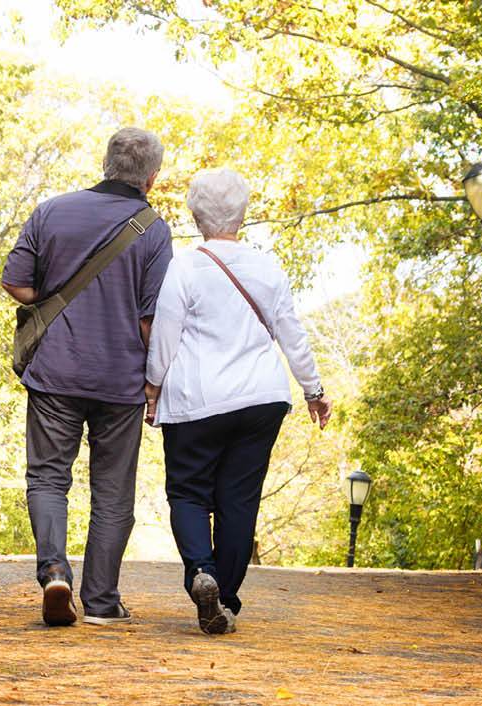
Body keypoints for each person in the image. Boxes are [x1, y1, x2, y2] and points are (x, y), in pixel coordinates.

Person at [143, 168, 330, 635]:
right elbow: (292, 333)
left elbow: (165, 334)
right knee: (238, 500)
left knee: (188, 491)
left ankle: (201, 572)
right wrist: (314, 389)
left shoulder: (184, 266)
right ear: (243, 214)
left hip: (197, 400)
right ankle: (223, 595)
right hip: (260, 399)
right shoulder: (267, 266)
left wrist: (152, 387)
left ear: (195, 214)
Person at [1, 128, 175, 627]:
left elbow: (17, 283)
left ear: (105, 162)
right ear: (152, 177)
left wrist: (52, 300)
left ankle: (55, 570)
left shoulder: (52, 211)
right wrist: (155, 381)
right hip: (120, 382)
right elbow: (150, 321)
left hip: (55, 371)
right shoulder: (154, 229)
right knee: (113, 493)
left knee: (48, 477)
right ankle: (102, 601)